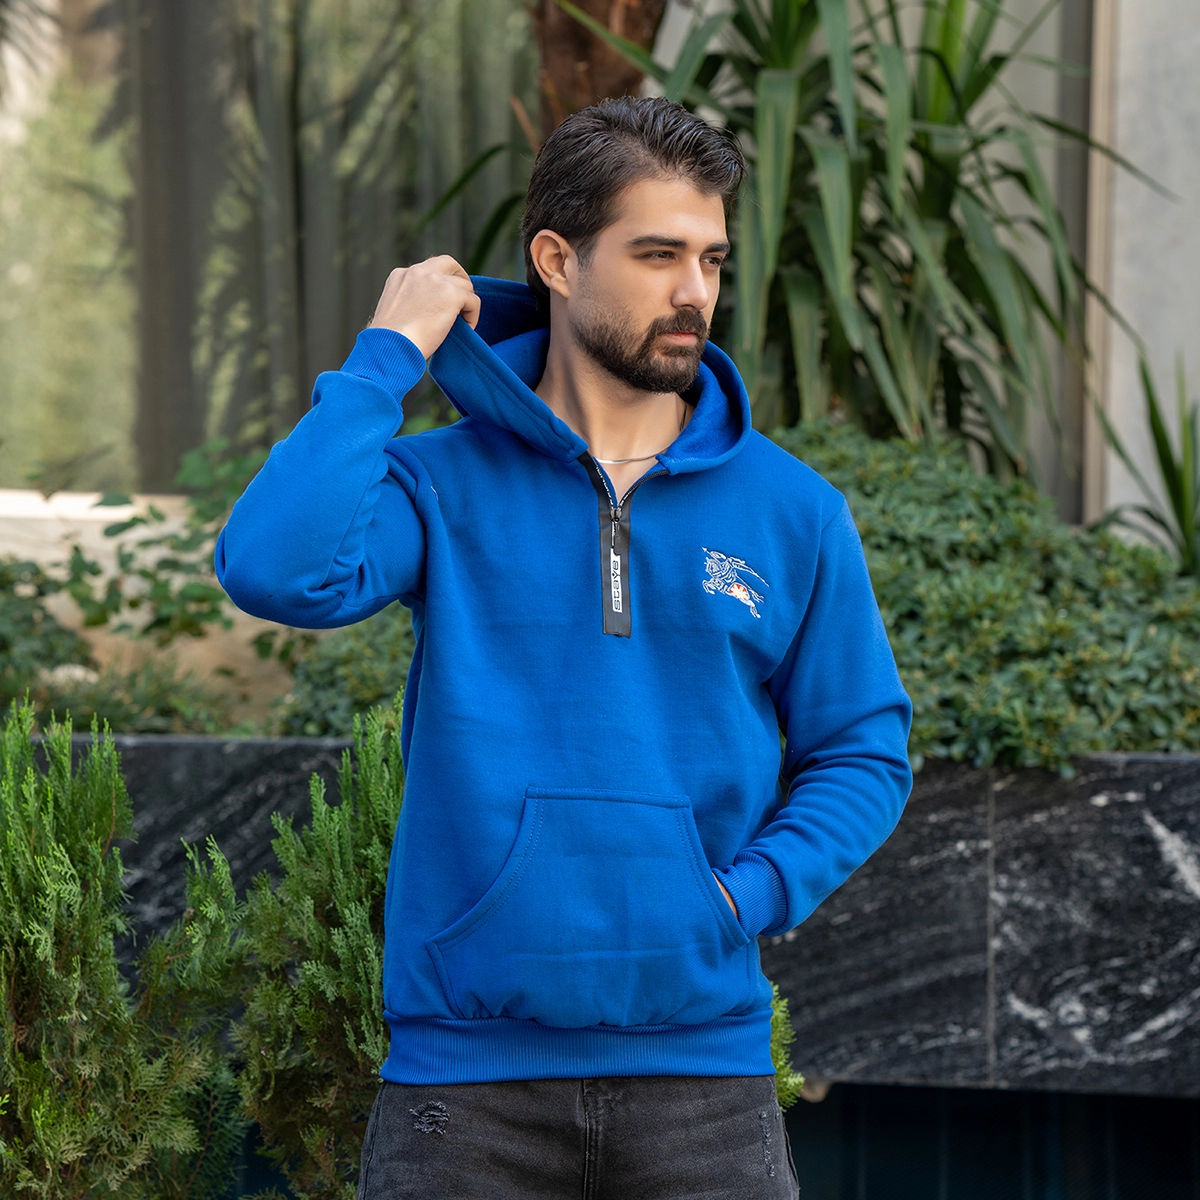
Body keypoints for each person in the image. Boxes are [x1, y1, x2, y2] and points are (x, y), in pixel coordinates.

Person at [217, 96, 912, 1200]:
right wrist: (386, 360)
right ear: (557, 259)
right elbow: (273, 569)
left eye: (711, 259)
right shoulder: (440, 485)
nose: (695, 292)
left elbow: (863, 751)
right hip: (465, 1099)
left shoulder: (793, 510)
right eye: (657, 254)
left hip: (705, 1091)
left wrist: (743, 897)